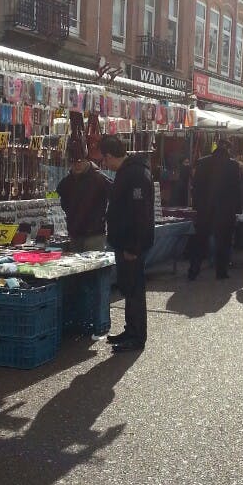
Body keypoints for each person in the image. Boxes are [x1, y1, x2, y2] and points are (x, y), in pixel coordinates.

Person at [99, 135, 155, 353]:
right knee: (128, 287)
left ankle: (136, 335)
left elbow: (140, 214)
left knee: (134, 290)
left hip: (132, 244)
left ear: (109, 156)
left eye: (104, 159)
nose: (104, 164)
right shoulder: (129, 171)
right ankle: (130, 330)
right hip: (125, 242)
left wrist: (133, 247)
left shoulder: (136, 174)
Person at [187, 139, 243, 280]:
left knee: (200, 240)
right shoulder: (233, 165)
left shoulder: (202, 162)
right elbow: (237, 189)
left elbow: (196, 186)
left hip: (205, 208)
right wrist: (238, 209)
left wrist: (197, 205)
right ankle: (221, 271)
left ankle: (194, 269)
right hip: (226, 210)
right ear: (228, 150)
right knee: (224, 241)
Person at [57, 138, 111, 252]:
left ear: (86, 160)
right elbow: (63, 203)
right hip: (75, 233)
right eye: (74, 161)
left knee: (94, 266)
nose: (77, 164)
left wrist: (103, 218)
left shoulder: (99, 179)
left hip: (94, 234)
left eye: (80, 161)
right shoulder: (67, 182)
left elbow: (115, 197)